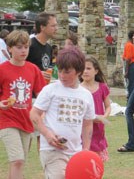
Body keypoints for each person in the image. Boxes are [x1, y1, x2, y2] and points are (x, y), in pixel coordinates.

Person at [30, 47, 95, 179]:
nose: (61, 75)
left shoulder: (86, 95)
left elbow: (87, 124)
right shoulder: (50, 90)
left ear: (78, 72)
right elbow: (34, 114)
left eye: (67, 72)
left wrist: (85, 151)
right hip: (52, 150)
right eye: (59, 71)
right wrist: (47, 134)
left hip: (76, 152)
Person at [0, 30, 46, 179]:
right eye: (19, 47)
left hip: (26, 120)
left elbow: (42, 95)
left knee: (19, 162)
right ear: (10, 48)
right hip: (6, 120)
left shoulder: (33, 69)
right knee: (17, 160)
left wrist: (43, 113)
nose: (23, 51)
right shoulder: (2, 69)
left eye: (26, 47)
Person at [80, 55, 111, 162]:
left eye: (88, 68)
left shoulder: (102, 87)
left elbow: (108, 106)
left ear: (96, 71)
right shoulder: (78, 89)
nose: (85, 71)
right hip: (83, 129)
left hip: (98, 130)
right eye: (83, 68)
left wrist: (103, 117)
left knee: (97, 164)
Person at [26, 12, 58, 82]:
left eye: (56, 25)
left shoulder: (49, 48)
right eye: (53, 26)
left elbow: (46, 69)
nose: (56, 28)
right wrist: (37, 74)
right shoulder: (29, 45)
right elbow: (18, 67)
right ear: (42, 27)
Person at [122, 30, 134, 100]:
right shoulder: (129, 45)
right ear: (132, 37)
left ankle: (131, 100)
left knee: (133, 83)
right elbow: (127, 59)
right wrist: (126, 71)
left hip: (133, 65)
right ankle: (131, 101)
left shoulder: (130, 45)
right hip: (132, 66)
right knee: (132, 84)